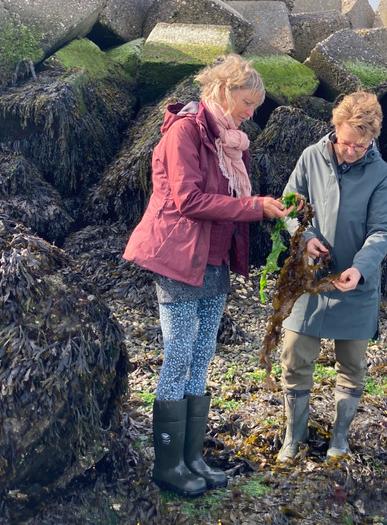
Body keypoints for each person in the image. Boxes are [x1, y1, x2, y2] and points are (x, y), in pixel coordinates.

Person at [123, 54, 293, 496]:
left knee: (202, 354)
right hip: (177, 257)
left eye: (255, 106)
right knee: (178, 354)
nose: (251, 113)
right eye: (247, 102)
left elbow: (227, 201)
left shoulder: (231, 141)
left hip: (214, 260)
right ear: (222, 90)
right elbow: (189, 201)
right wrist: (254, 207)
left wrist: (262, 210)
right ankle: (168, 466)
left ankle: (192, 457)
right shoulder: (184, 132)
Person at [277, 91, 387, 462]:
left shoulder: (380, 172)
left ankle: (339, 439)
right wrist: (305, 237)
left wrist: (360, 269)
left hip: (356, 283)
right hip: (310, 279)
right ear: (335, 127)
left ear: (372, 138)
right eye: (345, 142)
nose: (350, 151)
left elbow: (382, 230)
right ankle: (293, 438)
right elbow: (289, 206)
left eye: (360, 146)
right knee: (294, 356)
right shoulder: (311, 157)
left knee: (353, 364)